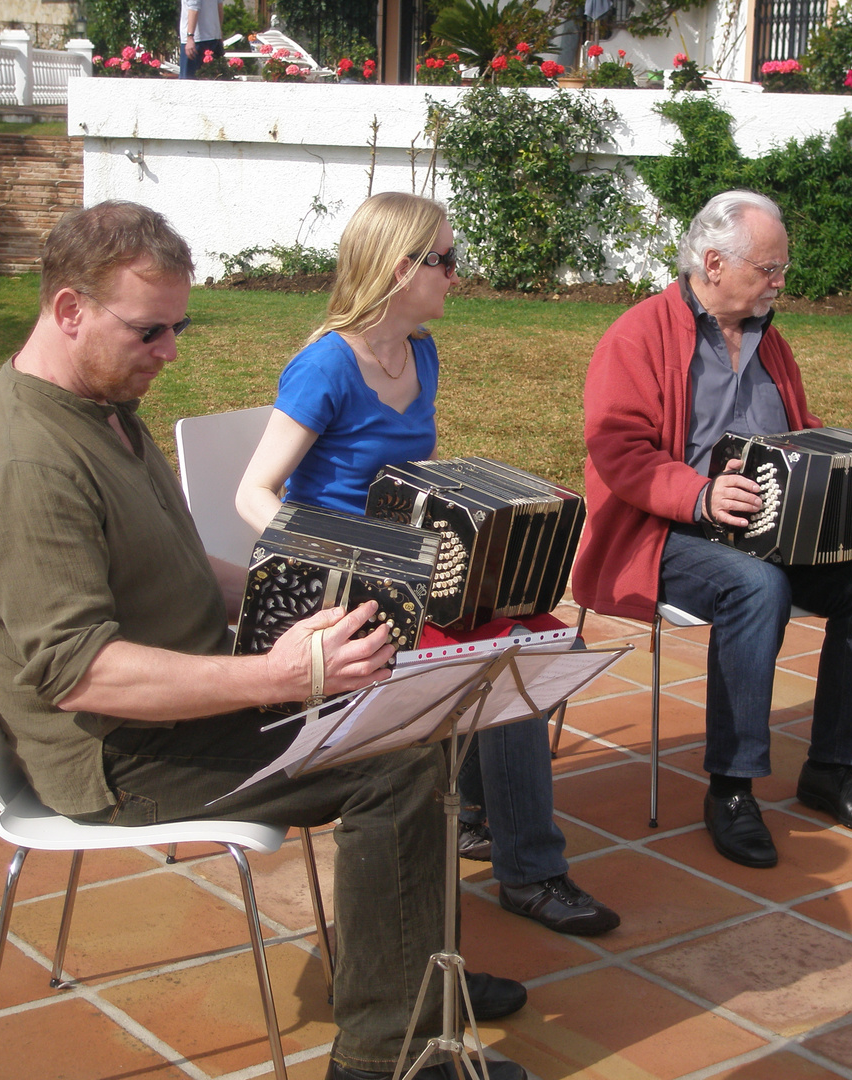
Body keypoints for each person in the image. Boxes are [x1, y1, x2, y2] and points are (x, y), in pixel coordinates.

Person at [0, 200, 527, 1080]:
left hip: (185, 703)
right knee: (396, 760)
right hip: (124, 756)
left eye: (180, 325)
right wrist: (280, 675)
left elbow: (178, 565)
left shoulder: (99, 407)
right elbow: (84, 676)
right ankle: (386, 1057)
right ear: (68, 311)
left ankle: (409, 984)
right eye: (150, 331)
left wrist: (309, 592)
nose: (171, 351)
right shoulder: (25, 465)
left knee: (416, 707)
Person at [236, 191, 619, 937]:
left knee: (543, 630)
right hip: (347, 590)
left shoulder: (422, 352)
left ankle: (478, 813)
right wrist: (351, 555)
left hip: (413, 572)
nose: (456, 274)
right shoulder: (327, 366)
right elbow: (254, 492)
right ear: (399, 267)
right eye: (444, 260)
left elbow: (411, 480)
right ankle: (531, 870)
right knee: (503, 652)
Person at [574, 189, 852, 870]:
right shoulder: (636, 335)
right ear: (715, 262)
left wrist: (831, 489)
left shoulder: (770, 339)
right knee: (756, 588)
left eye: (782, 269)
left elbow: (796, 435)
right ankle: (732, 787)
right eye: (769, 269)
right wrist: (698, 494)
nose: (780, 283)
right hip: (661, 531)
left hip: (767, 526)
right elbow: (618, 450)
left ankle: (834, 767)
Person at [178, 0, 223, 78]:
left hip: (197, 41)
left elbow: (194, 9)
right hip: (213, 38)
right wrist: (219, 33)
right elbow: (219, 7)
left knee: (187, 82)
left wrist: (190, 37)